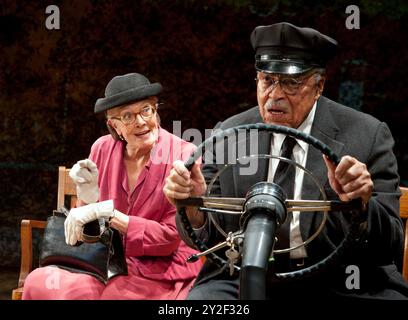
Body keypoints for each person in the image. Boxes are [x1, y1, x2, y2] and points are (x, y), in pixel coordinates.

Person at [163, 22, 408, 300]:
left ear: (319, 86)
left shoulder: (367, 135)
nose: (275, 95)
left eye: (291, 83)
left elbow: (391, 244)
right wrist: (195, 206)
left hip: (340, 278)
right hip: (240, 277)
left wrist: (361, 206)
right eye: (267, 80)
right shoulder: (229, 134)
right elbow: (207, 237)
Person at [23, 72, 201, 299]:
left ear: (156, 111)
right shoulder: (102, 148)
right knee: (38, 281)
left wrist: (110, 215)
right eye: (127, 116)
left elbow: (169, 240)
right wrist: (87, 197)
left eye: (146, 110)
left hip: (160, 269)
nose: (140, 121)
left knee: (92, 294)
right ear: (114, 125)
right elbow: (86, 229)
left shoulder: (182, 155)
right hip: (104, 261)